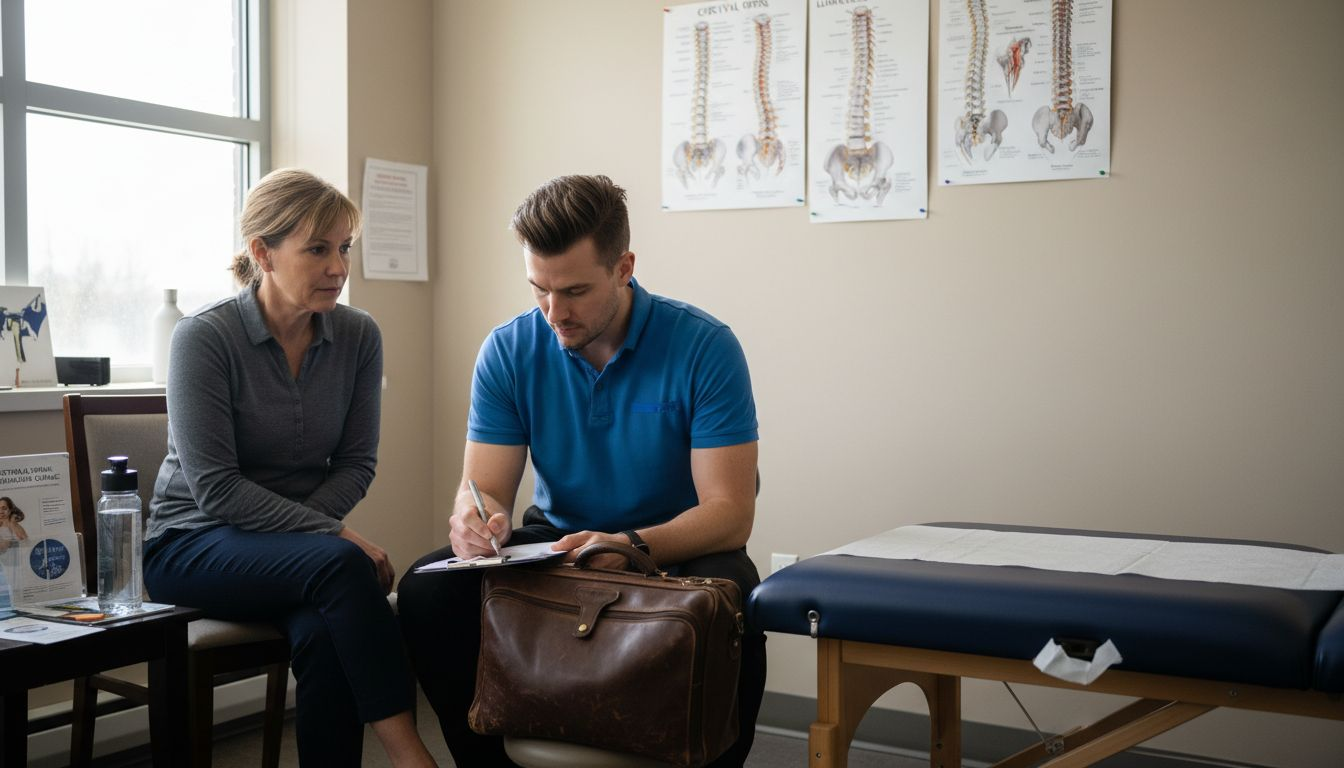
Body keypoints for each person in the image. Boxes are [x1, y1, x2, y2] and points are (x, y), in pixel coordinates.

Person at [398, 174, 764, 767]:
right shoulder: (509, 349)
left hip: (676, 544)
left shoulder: (704, 346)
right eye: (538, 290)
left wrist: (629, 545)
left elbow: (730, 514)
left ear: (624, 268)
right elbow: (484, 487)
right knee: (426, 591)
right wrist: (476, 517)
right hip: (561, 539)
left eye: (573, 291)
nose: (553, 312)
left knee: (735, 594)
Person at [142, 168, 437, 767]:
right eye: (318, 249)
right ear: (262, 253)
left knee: (327, 630)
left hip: (294, 559)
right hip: (191, 543)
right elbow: (217, 490)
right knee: (342, 564)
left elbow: (357, 463)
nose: (339, 267)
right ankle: (411, 756)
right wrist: (330, 535)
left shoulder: (359, 335)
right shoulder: (204, 338)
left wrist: (314, 536)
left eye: (345, 248)